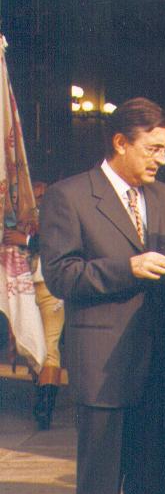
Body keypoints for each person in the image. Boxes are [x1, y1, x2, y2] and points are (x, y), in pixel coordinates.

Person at [39, 97, 165, 494]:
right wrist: (127, 267)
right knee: (101, 480)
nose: (162, 160)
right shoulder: (69, 196)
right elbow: (61, 275)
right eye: (153, 149)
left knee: (153, 473)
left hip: (161, 358)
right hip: (102, 361)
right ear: (120, 143)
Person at [3, 179, 64, 429]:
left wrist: (26, 240)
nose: (39, 201)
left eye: (42, 196)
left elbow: (58, 245)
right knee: (29, 341)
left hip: (49, 287)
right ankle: (40, 392)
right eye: (35, 197)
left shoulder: (58, 216)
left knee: (50, 346)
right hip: (23, 288)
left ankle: (44, 409)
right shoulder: (15, 221)